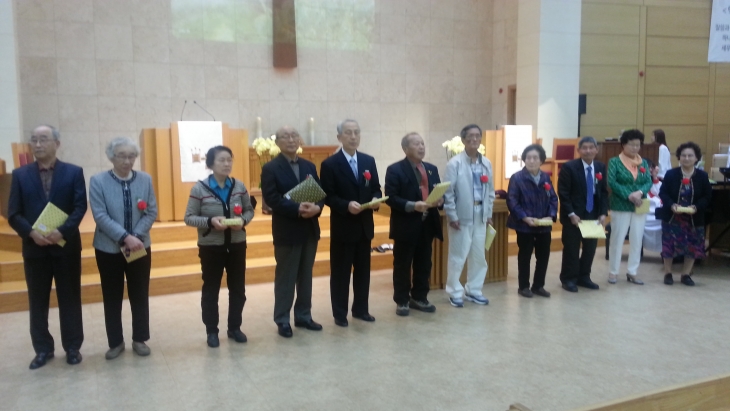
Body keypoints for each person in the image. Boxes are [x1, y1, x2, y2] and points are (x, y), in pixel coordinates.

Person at [8, 125, 87, 369]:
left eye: (43, 139)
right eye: (34, 140)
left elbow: (80, 207)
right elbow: (13, 213)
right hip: (35, 249)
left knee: (70, 298)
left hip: (65, 247)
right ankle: (43, 349)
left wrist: (62, 231)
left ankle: (72, 347)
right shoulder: (20, 175)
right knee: (37, 301)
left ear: (57, 143)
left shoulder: (73, 172)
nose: (38, 144)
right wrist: (31, 233)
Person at [89, 137, 158, 359]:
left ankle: (140, 339)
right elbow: (100, 215)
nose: (127, 161)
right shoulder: (98, 181)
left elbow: (151, 211)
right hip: (108, 248)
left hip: (139, 246)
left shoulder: (145, 179)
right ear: (111, 157)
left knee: (139, 293)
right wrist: (124, 237)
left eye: (131, 156)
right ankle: (115, 342)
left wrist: (135, 237)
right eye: (121, 156)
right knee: (112, 295)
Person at [184, 146, 254, 347]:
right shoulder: (199, 189)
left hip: (237, 245)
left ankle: (234, 327)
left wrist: (243, 220)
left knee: (238, 289)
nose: (226, 164)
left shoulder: (239, 186)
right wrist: (210, 221)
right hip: (211, 247)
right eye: (221, 160)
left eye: (229, 160)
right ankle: (211, 331)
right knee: (211, 290)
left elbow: (249, 210)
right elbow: (189, 217)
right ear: (210, 164)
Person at [261, 126, 325, 338]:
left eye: (294, 136)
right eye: (285, 137)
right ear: (277, 142)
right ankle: (282, 319)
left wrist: (317, 208)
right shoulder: (270, 168)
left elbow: (320, 193)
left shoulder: (309, 165)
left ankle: (304, 316)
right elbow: (271, 198)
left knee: (305, 276)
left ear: (299, 140)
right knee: (286, 278)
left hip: (309, 228)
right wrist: (297, 209)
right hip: (287, 230)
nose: (291, 140)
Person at [320, 119, 382, 327]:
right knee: (341, 273)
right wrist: (346, 205)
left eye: (356, 132)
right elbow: (327, 195)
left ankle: (361, 309)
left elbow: (376, 187)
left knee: (363, 272)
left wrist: (375, 199)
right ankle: (340, 313)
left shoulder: (368, 161)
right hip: (343, 226)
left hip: (364, 226)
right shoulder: (330, 164)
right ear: (339, 137)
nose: (353, 136)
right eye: (348, 133)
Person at [385, 132, 444, 316]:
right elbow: (391, 198)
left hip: (427, 224)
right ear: (405, 149)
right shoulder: (395, 170)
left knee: (424, 263)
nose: (421, 147)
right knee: (403, 264)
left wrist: (440, 201)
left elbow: (438, 191)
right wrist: (412, 205)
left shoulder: (432, 169)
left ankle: (419, 297)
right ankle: (402, 300)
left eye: (422, 143)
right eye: (416, 144)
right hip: (406, 225)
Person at [443, 124, 495, 307]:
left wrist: (488, 213)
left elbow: (490, 192)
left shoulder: (486, 163)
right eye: (470, 136)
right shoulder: (454, 163)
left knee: (479, 256)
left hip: (481, 216)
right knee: (458, 256)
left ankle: (474, 290)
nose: (474, 139)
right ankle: (454, 291)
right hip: (462, 216)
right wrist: (452, 216)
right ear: (463, 139)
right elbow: (448, 192)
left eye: (477, 136)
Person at [557, 136, 608, 292]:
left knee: (590, 249)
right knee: (571, 249)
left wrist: (603, 213)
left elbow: (604, 192)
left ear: (596, 150)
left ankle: (584, 276)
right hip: (574, 215)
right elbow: (563, 193)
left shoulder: (600, 167)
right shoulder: (569, 167)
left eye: (591, 147)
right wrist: (571, 213)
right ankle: (568, 279)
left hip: (593, 214)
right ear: (578, 150)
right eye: (584, 148)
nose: (588, 151)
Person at [506, 144, 558, 298]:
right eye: (528, 158)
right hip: (524, 225)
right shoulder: (517, 178)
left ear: (541, 160)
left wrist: (551, 215)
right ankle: (523, 287)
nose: (532, 161)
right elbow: (512, 201)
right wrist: (524, 217)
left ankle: (538, 286)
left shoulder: (545, 177)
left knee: (543, 256)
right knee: (525, 256)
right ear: (524, 160)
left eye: (535, 158)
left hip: (543, 224)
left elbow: (553, 198)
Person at [658, 142, 712, 286]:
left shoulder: (702, 176)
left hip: (694, 218)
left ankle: (686, 274)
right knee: (669, 245)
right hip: (672, 216)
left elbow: (707, 196)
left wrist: (697, 207)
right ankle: (668, 273)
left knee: (692, 246)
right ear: (679, 157)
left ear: (696, 158)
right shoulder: (671, 174)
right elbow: (663, 193)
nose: (686, 158)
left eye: (690, 156)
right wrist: (671, 205)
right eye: (683, 155)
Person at [607, 129, 653, 285]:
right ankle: (613, 271)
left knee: (637, 239)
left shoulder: (643, 163)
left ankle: (632, 271)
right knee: (617, 238)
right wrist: (629, 195)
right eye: (631, 145)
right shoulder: (615, 162)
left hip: (641, 204)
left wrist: (639, 193)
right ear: (623, 145)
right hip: (621, 204)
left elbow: (648, 181)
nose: (635, 148)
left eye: (638, 145)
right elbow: (612, 182)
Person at [642, 160, 663, 253]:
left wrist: (654, 177)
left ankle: (664, 252)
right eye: (648, 167)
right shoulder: (637, 181)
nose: (650, 169)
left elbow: (660, 193)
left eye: (651, 167)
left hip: (657, 213)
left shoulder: (657, 181)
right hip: (644, 213)